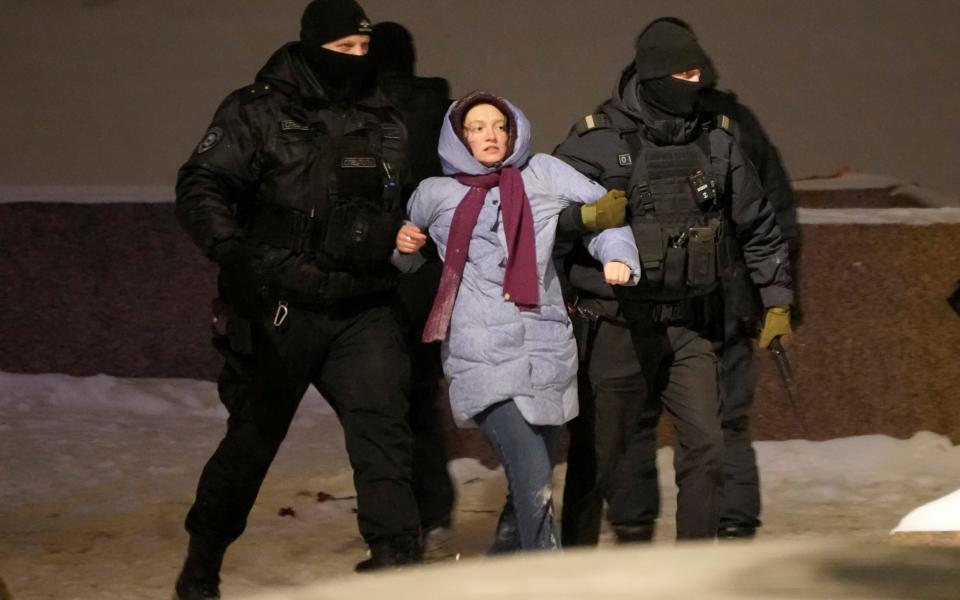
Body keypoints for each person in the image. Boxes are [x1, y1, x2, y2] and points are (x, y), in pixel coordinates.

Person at [172, 1, 422, 597]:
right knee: (253, 441)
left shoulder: (385, 115)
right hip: (280, 302)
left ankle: (397, 566)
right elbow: (202, 183)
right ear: (312, 48)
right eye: (343, 51)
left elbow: (397, 197)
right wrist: (231, 253)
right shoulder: (257, 110)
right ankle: (203, 562)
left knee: (383, 432)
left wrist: (409, 232)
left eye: (364, 51)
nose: (356, 62)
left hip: (363, 305)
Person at [554, 17, 794, 544]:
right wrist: (585, 220)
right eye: (683, 74)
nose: (694, 85)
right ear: (656, 75)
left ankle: (694, 569)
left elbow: (758, 224)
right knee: (598, 457)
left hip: (691, 324)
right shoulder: (596, 140)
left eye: (697, 74)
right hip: (617, 324)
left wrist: (777, 302)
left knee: (707, 449)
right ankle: (567, 566)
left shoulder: (717, 141)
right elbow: (542, 220)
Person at [394, 91, 640, 552]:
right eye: (477, 127)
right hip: (480, 350)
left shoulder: (541, 173)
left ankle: (500, 577)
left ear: (514, 131)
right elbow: (406, 257)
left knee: (531, 483)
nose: (490, 135)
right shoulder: (435, 193)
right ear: (458, 136)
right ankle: (547, 579)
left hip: (544, 347)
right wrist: (403, 246)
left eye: (499, 126)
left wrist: (618, 257)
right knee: (532, 481)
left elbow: (607, 214)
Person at [368, 21, 457, 553]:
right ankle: (434, 503)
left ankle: (407, 521)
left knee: (385, 405)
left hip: (383, 271)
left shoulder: (370, 116)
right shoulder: (442, 114)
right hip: (430, 274)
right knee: (420, 394)